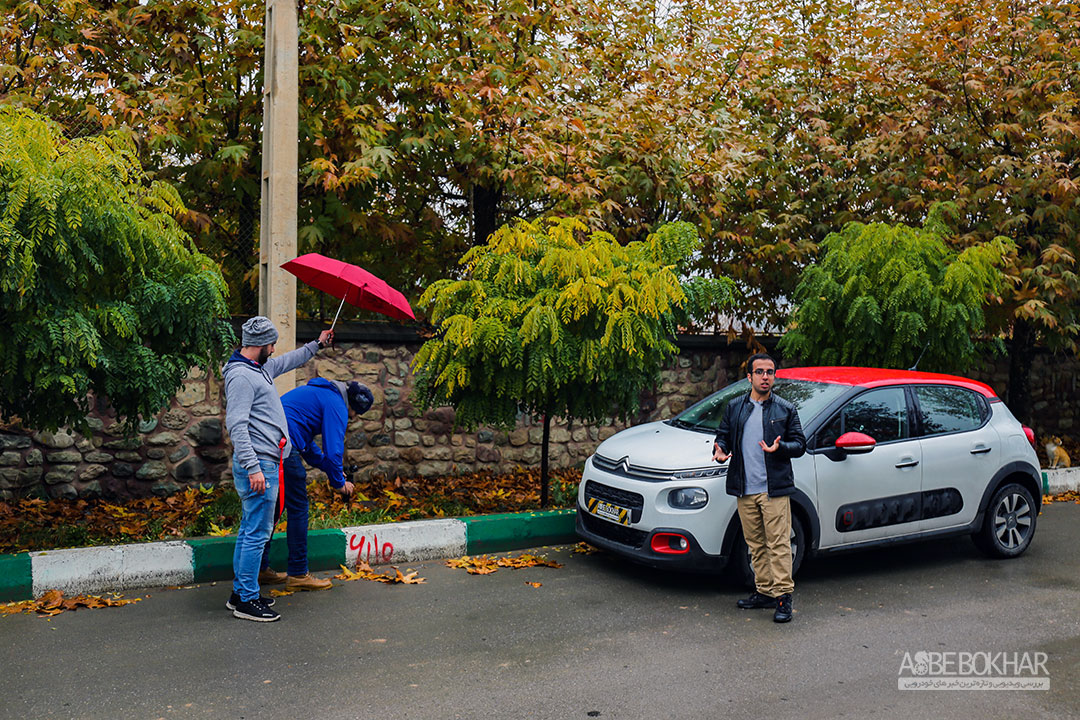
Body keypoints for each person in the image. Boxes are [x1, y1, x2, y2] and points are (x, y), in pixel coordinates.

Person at [222, 316, 333, 622]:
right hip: (259, 465)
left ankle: (240, 593)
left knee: (251, 530)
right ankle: (247, 600)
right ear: (259, 345)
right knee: (257, 533)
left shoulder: (259, 369)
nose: (274, 350)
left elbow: (288, 361)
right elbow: (237, 425)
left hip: (267, 462)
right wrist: (253, 467)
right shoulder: (242, 377)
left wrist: (317, 344)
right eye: (271, 344)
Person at [712, 352, 805, 623]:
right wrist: (720, 450)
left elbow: (800, 444)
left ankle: (784, 597)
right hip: (745, 488)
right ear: (749, 377)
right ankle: (764, 592)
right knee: (755, 544)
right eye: (760, 372)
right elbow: (723, 436)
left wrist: (781, 447)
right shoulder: (735, 407)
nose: (765, 377)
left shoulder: (785, 409)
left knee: (779, 544)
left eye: (770, 372)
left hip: (773, 489)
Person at [258, 378, 374, 591]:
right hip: (282, 445)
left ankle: (259, 568)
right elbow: (334, 450)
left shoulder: (319, 393)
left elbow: (306, 443)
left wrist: (330, 469)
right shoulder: (337, 404)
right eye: (355, 414)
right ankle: (298, 573)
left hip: (266, 441)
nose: (352, 418)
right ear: (353, 406)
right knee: (298, 507)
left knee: (273, 508)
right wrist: (339, 483)